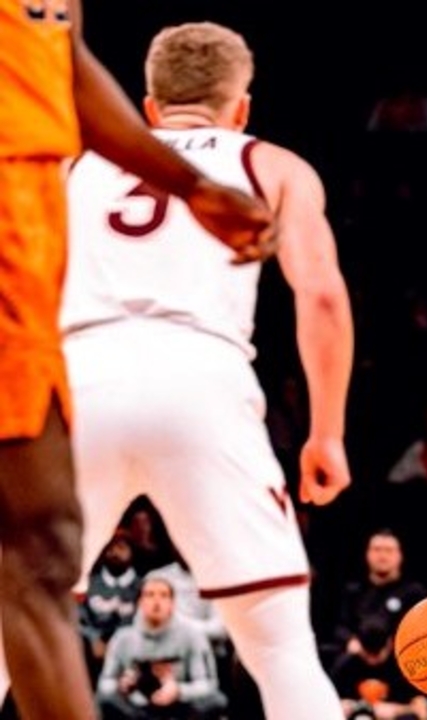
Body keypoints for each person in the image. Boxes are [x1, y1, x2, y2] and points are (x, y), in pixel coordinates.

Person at [57, 21, 354, 719]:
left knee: (12, 627)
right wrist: (326, 434)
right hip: (201, 379)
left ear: (149, 106)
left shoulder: (74, 165)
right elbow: (320, 296)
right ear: (241, 107)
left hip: (81, 377)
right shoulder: (272, 164)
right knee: (281, 648)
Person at [0, 2, 274, 718]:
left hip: (31, 246)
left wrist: (192, 187)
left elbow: (62, 60)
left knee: (41, 551)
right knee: (38, 551)